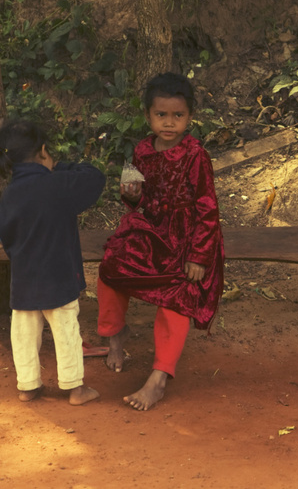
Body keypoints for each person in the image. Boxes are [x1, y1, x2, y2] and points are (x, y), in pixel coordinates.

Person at [97, 72, 225, 411]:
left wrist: (199, 255)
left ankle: (159, 377)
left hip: (188, 236)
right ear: (148, 117)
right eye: (161, 115)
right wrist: (132, 196)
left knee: (178, 292)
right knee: (111, 268)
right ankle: (115, 336)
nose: (169, 123)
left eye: (178, 115)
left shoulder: (195, 155)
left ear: (190, 117)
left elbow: (208, 208)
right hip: (151, 230)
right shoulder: (142, 150)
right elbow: (140, 202)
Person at [0, 119, 105, 405]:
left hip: (24, 276)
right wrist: (60, 166)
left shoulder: (10, 194)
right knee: (66, 328)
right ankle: (74, 387)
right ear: (44, 152)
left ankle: (28, 385)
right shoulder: (59, 184)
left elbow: (4, 233)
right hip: (59, 274)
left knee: (24, 333)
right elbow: (95, 177)